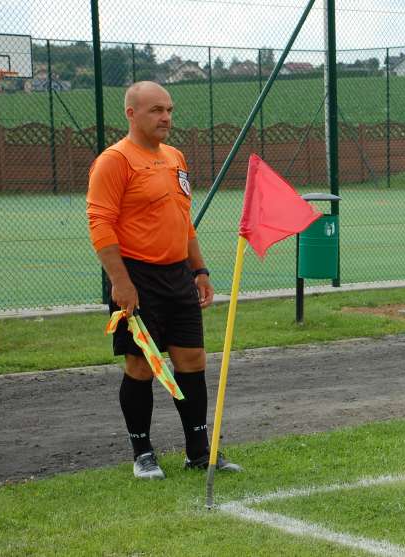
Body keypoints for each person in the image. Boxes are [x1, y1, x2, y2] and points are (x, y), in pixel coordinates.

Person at [86, 81, 240, 479]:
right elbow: (100, 224)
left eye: (169, 109)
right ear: (131, 114)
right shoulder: (114, 160)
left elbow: (182, 220)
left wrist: (200, 270)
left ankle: (199, 452)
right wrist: (121, 283)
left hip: (178, 276)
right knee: (141, 365)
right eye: (156, 110)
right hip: (136, 277)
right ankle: (143, 454)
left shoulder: (175, 157)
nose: (166, 117)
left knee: (192, 361)